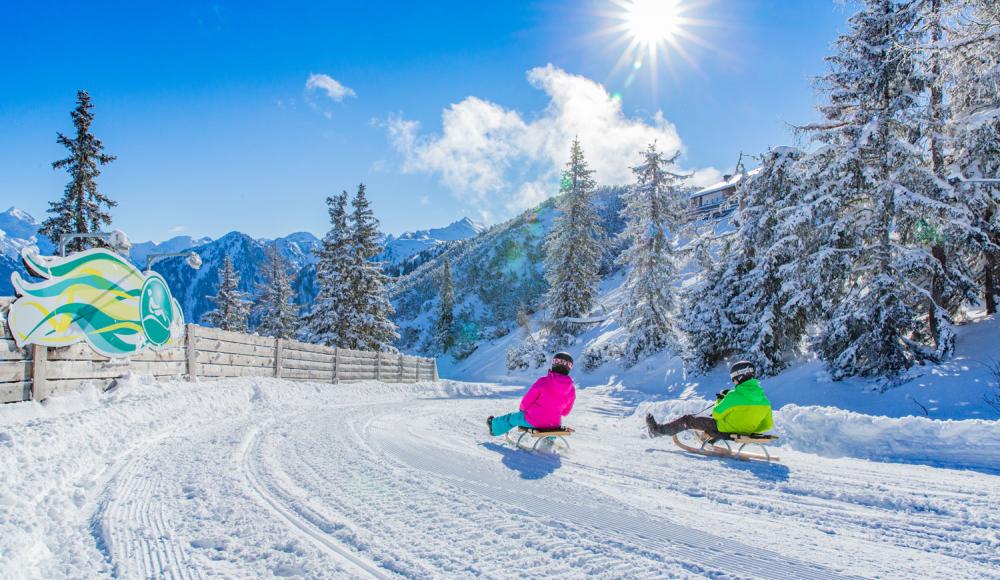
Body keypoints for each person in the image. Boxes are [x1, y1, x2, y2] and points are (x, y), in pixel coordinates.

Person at [646, 360, 773, 439]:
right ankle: (708, 440)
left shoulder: (734, 395)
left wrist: (721, 399)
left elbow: (717, 414)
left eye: (733, 378)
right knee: (714, 422)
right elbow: (768, 424)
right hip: (748, 431)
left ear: (739, 377)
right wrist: (749, 428)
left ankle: (658, 430)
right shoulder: (764, 399)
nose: (733, 381)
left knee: (688, 419)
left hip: (725, 431)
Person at [488, 352, 576, 436]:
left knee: (511, 418)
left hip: (534, 420)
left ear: (554, 364)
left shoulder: (543, 382)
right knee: (551, 426)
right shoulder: (571, 389)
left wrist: (522, 410)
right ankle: (548, 443)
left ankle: (494, 427)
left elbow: (526, 401)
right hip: (554, 425)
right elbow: (565, 412)